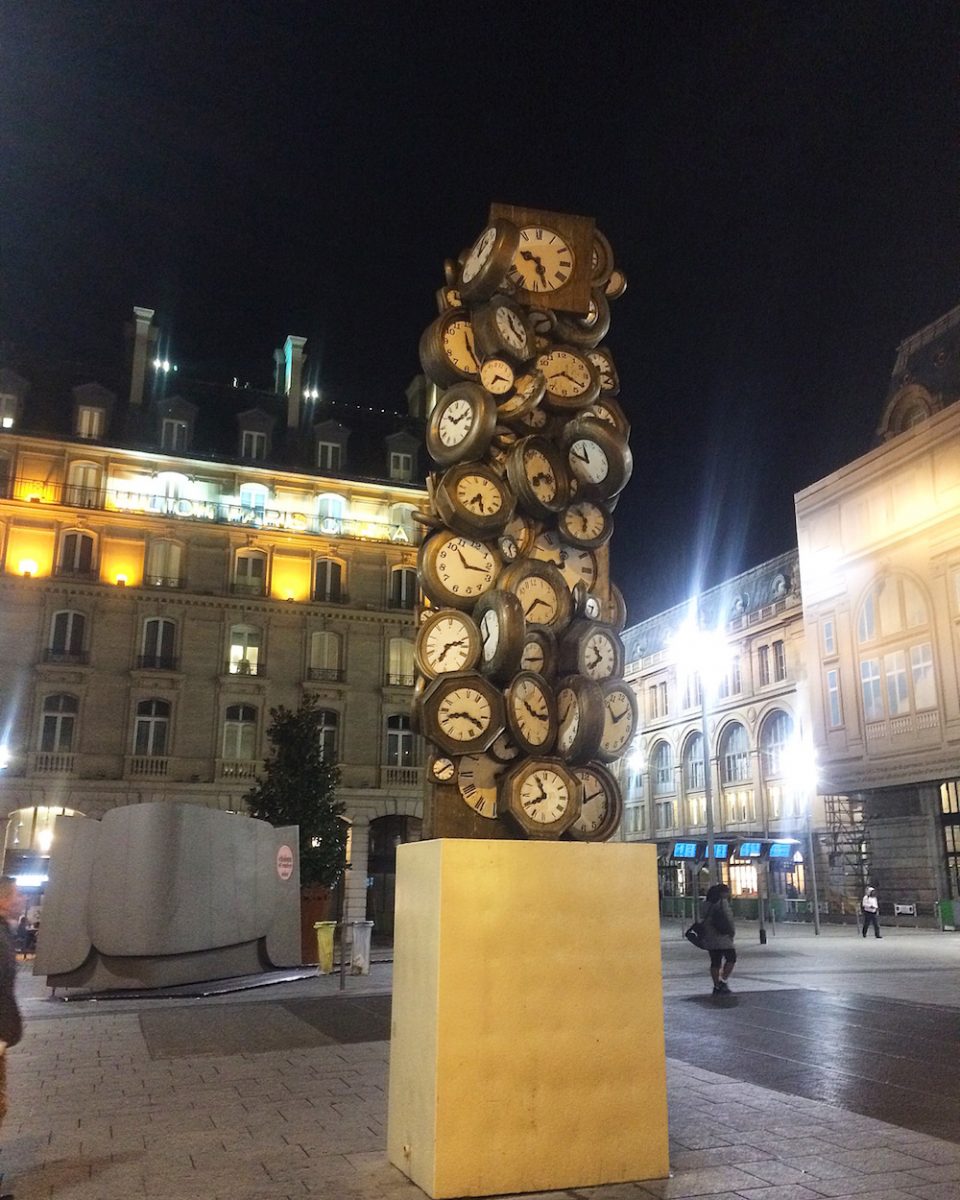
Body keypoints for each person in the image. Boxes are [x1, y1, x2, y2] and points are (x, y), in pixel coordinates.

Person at [701, 882, 736, 995]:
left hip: (710, 936)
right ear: (722, 893)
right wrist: (732, 932)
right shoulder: (722, 903)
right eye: (727, 892)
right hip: (723, 935)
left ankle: (716, 985)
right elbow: (728, 918)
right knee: (731, 958)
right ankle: (723, 981)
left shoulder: (706, 904)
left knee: (715, 961)